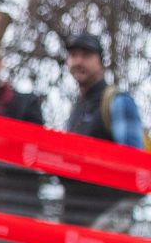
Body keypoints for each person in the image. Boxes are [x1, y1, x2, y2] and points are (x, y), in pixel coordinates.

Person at [60, 32, 146, 226]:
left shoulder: (117, 101)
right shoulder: (77, 108)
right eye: (73, 55)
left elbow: (133, 164)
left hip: (107, 224)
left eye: (86, 55)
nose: (78, 61)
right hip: (74, 219)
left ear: (100, 61)